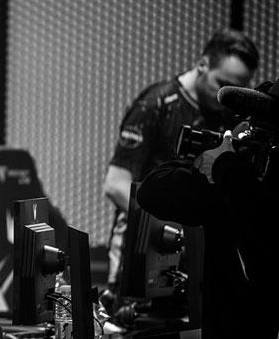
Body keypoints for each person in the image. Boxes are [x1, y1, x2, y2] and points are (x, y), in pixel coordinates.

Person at [101, 29, 259, 321]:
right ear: (202, 64)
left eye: (237, 89)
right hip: (141, 261)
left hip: (197, 269)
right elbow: (116, 185)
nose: (226, 96)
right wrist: (181, 235)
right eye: (222, 84)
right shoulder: (156, 104)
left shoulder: (229, 115)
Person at [136, 79, 279, 338]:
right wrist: (213, 160)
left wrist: (224, 164)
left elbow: (263, 249)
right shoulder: (230, 181)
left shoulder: (235, 181)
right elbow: (153, 191)